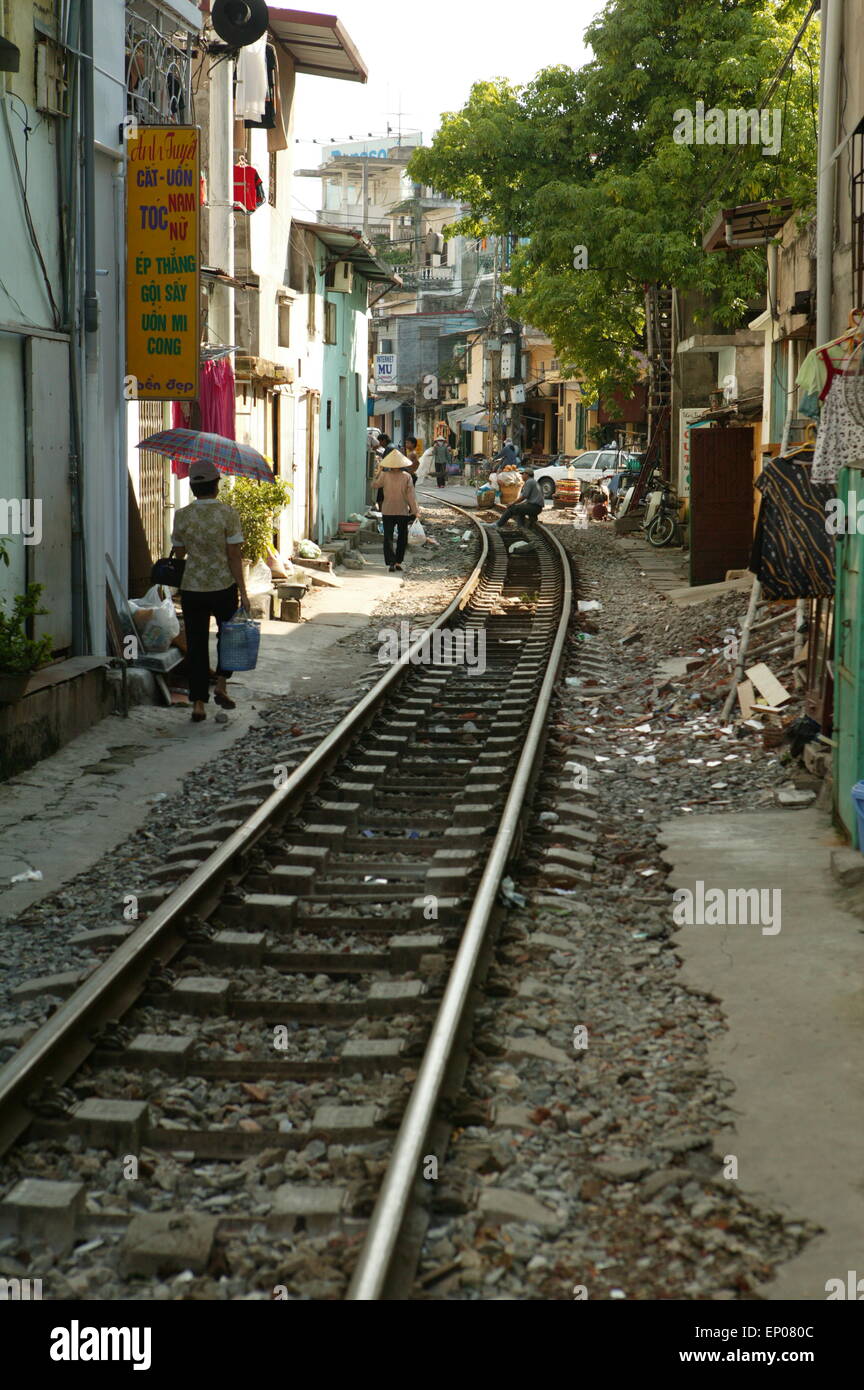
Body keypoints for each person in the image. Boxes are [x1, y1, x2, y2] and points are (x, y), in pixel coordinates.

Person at [170, 459, 250, 724]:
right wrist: (244, 591)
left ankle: (198, 704)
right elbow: (234, 555)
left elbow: (180, 554)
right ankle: (221, 686)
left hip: (192, 587)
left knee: (195, 644)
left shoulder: (181, 515)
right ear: (216, 486)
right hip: (223, 586)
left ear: (193, 487)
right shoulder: (228, 513)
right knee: (228, 639)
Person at [371, 448, 419, 571]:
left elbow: (374, 485)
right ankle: (398, 562)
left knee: (388, 537)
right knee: (402, 537)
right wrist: (415, 510)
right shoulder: (407, 476)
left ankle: (391, 562)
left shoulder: (384, 475)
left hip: (387, 510)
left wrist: (378, 471)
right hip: (402, 511)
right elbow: (411, 496)